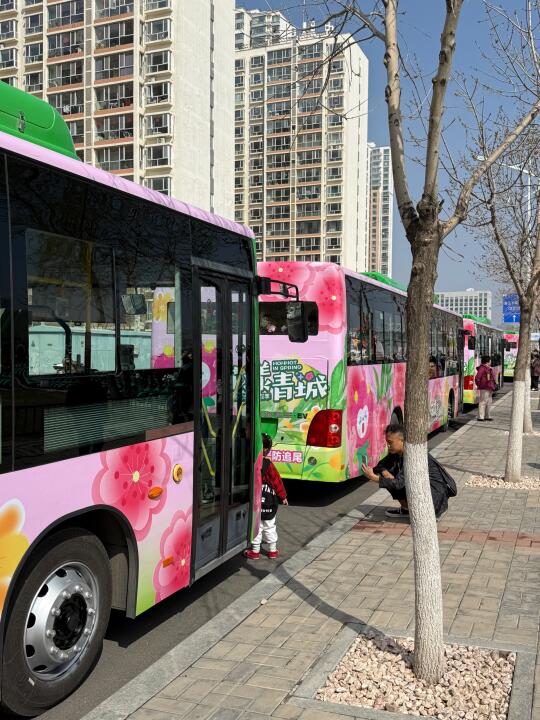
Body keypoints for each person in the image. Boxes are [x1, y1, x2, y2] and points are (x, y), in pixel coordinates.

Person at [361, 423, 450, 520]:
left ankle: (419, 512)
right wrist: (385, 473)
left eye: (390, 442)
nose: (388, 445)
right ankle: (406, 509)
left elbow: (398, 484)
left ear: (402, 440)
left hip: (434, 501)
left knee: (392, 482)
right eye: (387, 442)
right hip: (426, 497)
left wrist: (375, 478)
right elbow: (380, 465)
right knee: (389, 478)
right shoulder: (397, 453)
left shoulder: (412, 456)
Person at [244, 434, 288, 560]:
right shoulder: (268, 465)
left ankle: (255, 551)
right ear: (266, 450)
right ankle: (272, 550)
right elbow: (277, 482)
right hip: (269, 501)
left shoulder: (250, 462)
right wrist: (283, 497)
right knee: (270, 525)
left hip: (256, 500)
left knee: (256, 526)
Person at [475, 354, 496, 421]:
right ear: (487, 361)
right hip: (484, 387)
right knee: (483, 402)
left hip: (490, 387)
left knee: (489, 402)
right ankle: (481, 417)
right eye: (490, 360)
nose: (491, 362)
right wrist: (480, 385)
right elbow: (477, 378)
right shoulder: (482, 368)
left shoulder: (489, 368)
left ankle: (487, 416)